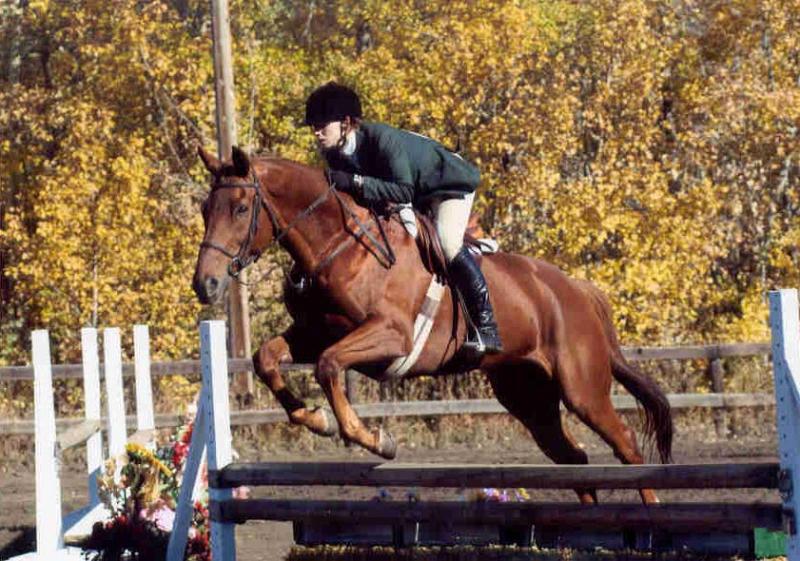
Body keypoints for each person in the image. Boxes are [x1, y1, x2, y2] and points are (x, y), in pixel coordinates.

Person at [304, 82, 502, 355]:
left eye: (322, 125)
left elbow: (403, 190)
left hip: (447, 186)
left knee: (446, 243)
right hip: (414, 193)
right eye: (313, 125)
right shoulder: (335, 153)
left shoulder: (382, 139)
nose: (315, 132)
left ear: (346, 123)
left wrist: (355, 181)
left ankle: (487, 327)